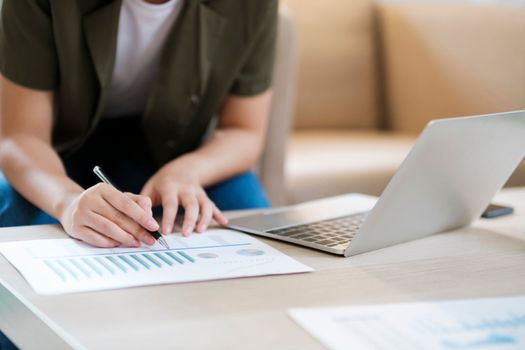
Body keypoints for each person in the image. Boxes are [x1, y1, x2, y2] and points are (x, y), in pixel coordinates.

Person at [0, 0, 277, 249]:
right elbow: (20, 135)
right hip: (55, 151)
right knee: (25, 220)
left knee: (248, 216)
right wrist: (67, 201)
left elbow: (243, 130)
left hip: (176, 155)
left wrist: (187, 171)